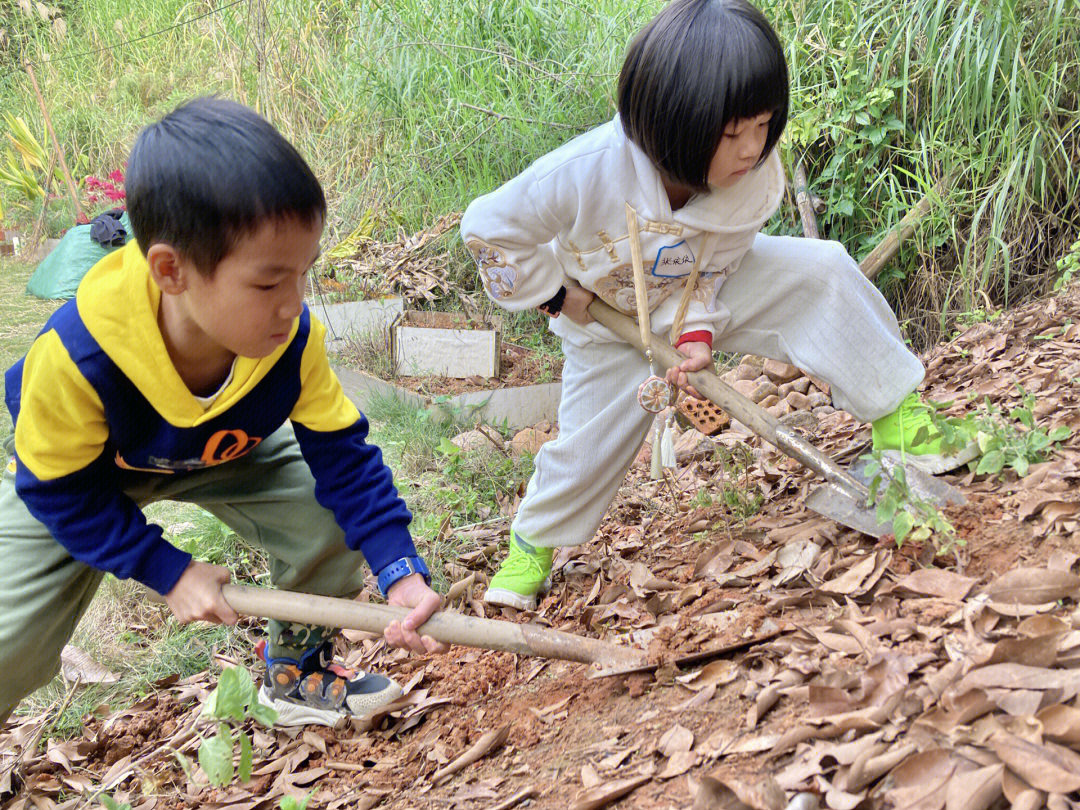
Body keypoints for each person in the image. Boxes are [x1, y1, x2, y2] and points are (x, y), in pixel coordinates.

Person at [459, 0, 976, 611]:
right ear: (670, 123)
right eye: (732, 134)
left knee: (823, 272)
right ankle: (533, 543)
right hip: (600, 315)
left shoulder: (756, 177)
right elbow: (487, 226)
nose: (751, 150)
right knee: (590, 442)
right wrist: (552, 295)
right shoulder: (583, 171)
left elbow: (720, 261)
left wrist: (697, 332)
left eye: (763, 126)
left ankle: (900, 420)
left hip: (701, 291)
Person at [0, 97, 446, 729]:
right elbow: (59, 491)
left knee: (326, 517)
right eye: (269, 283)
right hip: (82, 480)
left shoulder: (289, 339)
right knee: (7, 643)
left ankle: (295, 673)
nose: (294, 305)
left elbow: (342, 456)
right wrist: (168, 570)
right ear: (171, 270)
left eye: (303, 275)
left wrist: (398, 569)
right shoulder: (76, 359)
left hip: (219, 447)